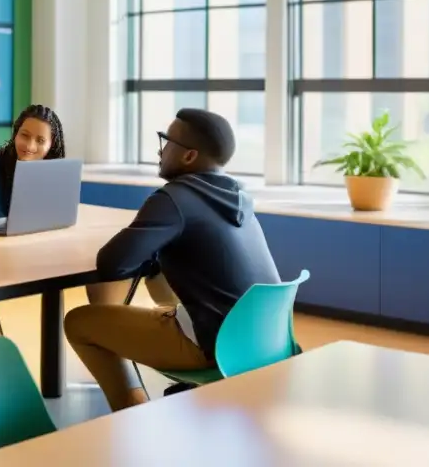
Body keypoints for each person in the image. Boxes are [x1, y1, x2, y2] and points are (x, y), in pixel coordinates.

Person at [63, 108, 281, 413]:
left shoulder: (174, 198)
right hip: (265, 340)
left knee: (78, 321)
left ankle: (132, 411)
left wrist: (148, 250)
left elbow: (112, 263)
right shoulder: (239, 195)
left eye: (166, 141)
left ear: (189, 156)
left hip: (216, 345)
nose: (161, 150)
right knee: (160, 290)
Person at [0, 104, 67, 219]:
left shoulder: (53, 175)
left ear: (51, 146)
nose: (30, 146)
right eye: (25, 135)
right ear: (16, 134)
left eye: (40, 140)